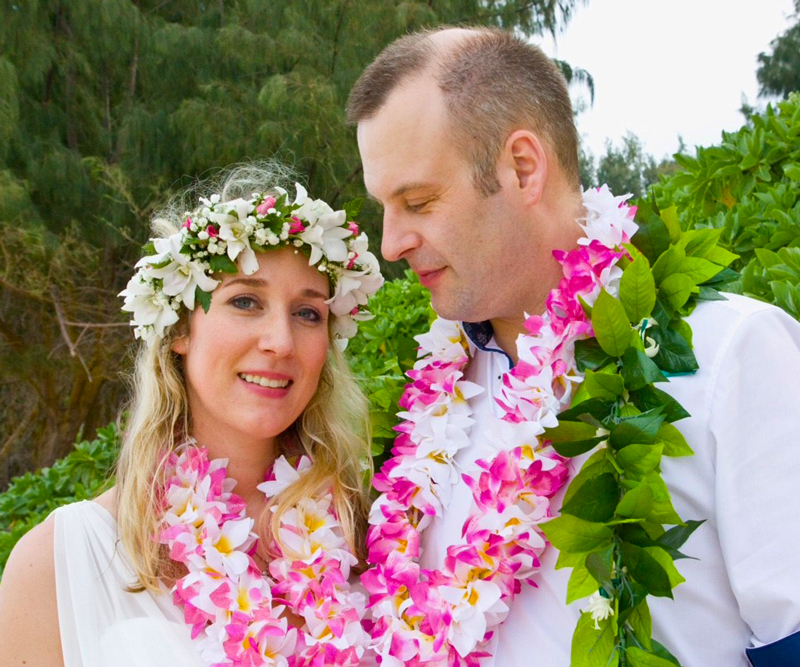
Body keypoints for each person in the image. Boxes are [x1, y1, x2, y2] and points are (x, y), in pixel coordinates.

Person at [347, 27, 800, 667]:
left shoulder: (730, 354)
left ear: (523, 168)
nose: (391, 243)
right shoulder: (427, 411)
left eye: (418, 201)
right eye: (383, 208)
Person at [0, 165, 384, 667]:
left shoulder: (374, 531)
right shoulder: (60, 559)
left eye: (308, 313)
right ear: (179, 330)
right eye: (245, 301)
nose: (281, 342)